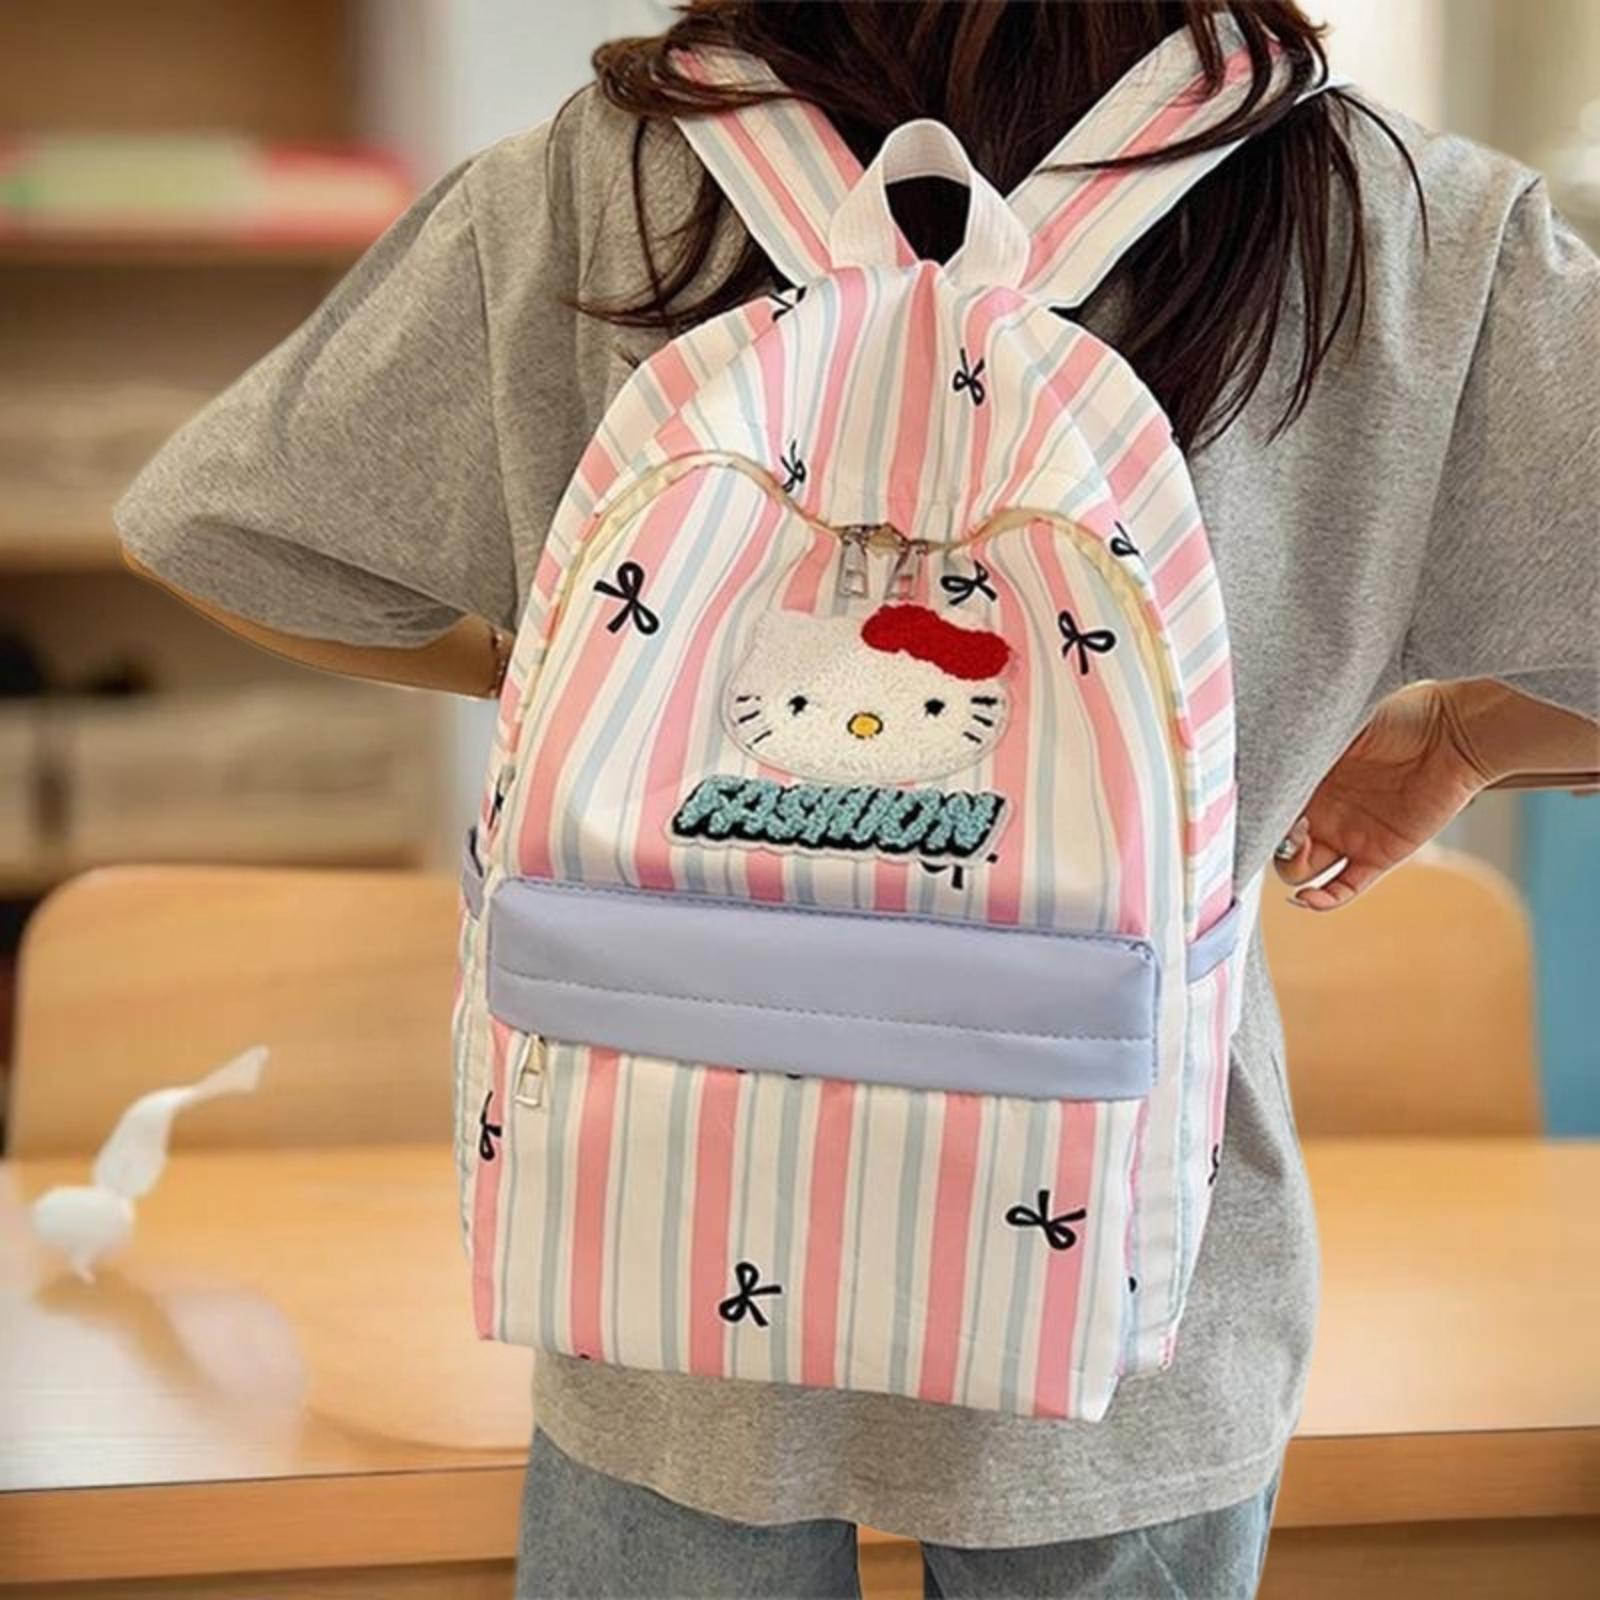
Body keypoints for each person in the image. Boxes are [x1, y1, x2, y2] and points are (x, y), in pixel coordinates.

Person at [116, 3, 1599, 1595]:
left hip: (659, 1251)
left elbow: (215, 528)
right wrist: (1458, 740)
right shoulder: (1402, 237)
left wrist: (543, 669)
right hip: (1116, 1294)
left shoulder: (604, 185)